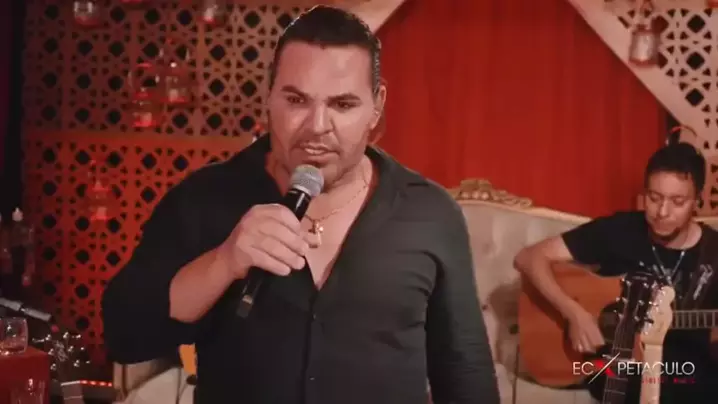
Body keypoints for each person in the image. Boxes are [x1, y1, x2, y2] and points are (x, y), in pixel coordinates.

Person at [101, 6, 499, 404]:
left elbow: (466, 374)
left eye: (343, 105)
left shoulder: (430, 213)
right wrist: (223, 262)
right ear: (269, 95)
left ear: (377, 105)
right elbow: (125, 336)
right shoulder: (203, 198)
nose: (317, 126)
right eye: (296, 100)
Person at [514, 142, 718, 403]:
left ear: (697, 201)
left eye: (677, 202)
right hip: (615, 366)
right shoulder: (620, 230)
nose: (662, 212)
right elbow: (528, 258)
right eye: (654, 198)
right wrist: (574, 313)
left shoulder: (713, 253)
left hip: (686, 370)